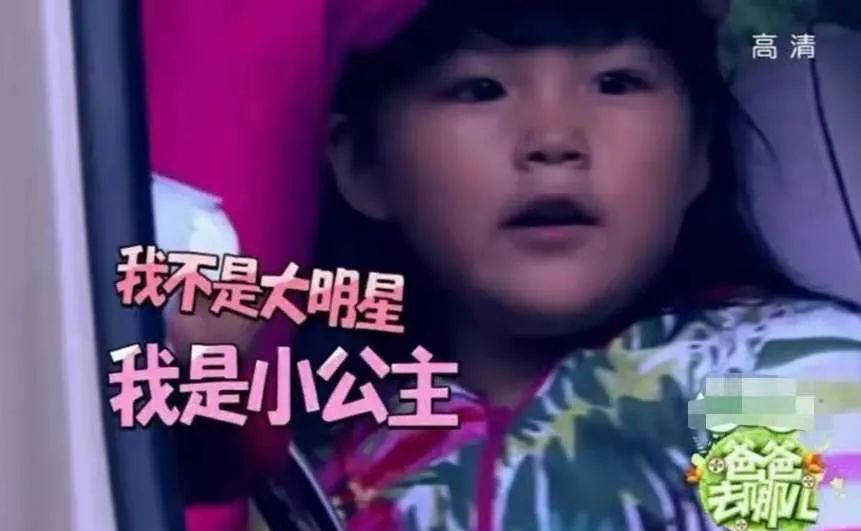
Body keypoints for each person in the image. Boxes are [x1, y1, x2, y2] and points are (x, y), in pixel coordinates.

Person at [254, 1, 861, 529]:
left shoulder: (768, 371)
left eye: (617, 83)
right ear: (363, 164)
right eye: (479, 89)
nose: (552, 139)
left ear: (699, 151)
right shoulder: (316, 453)